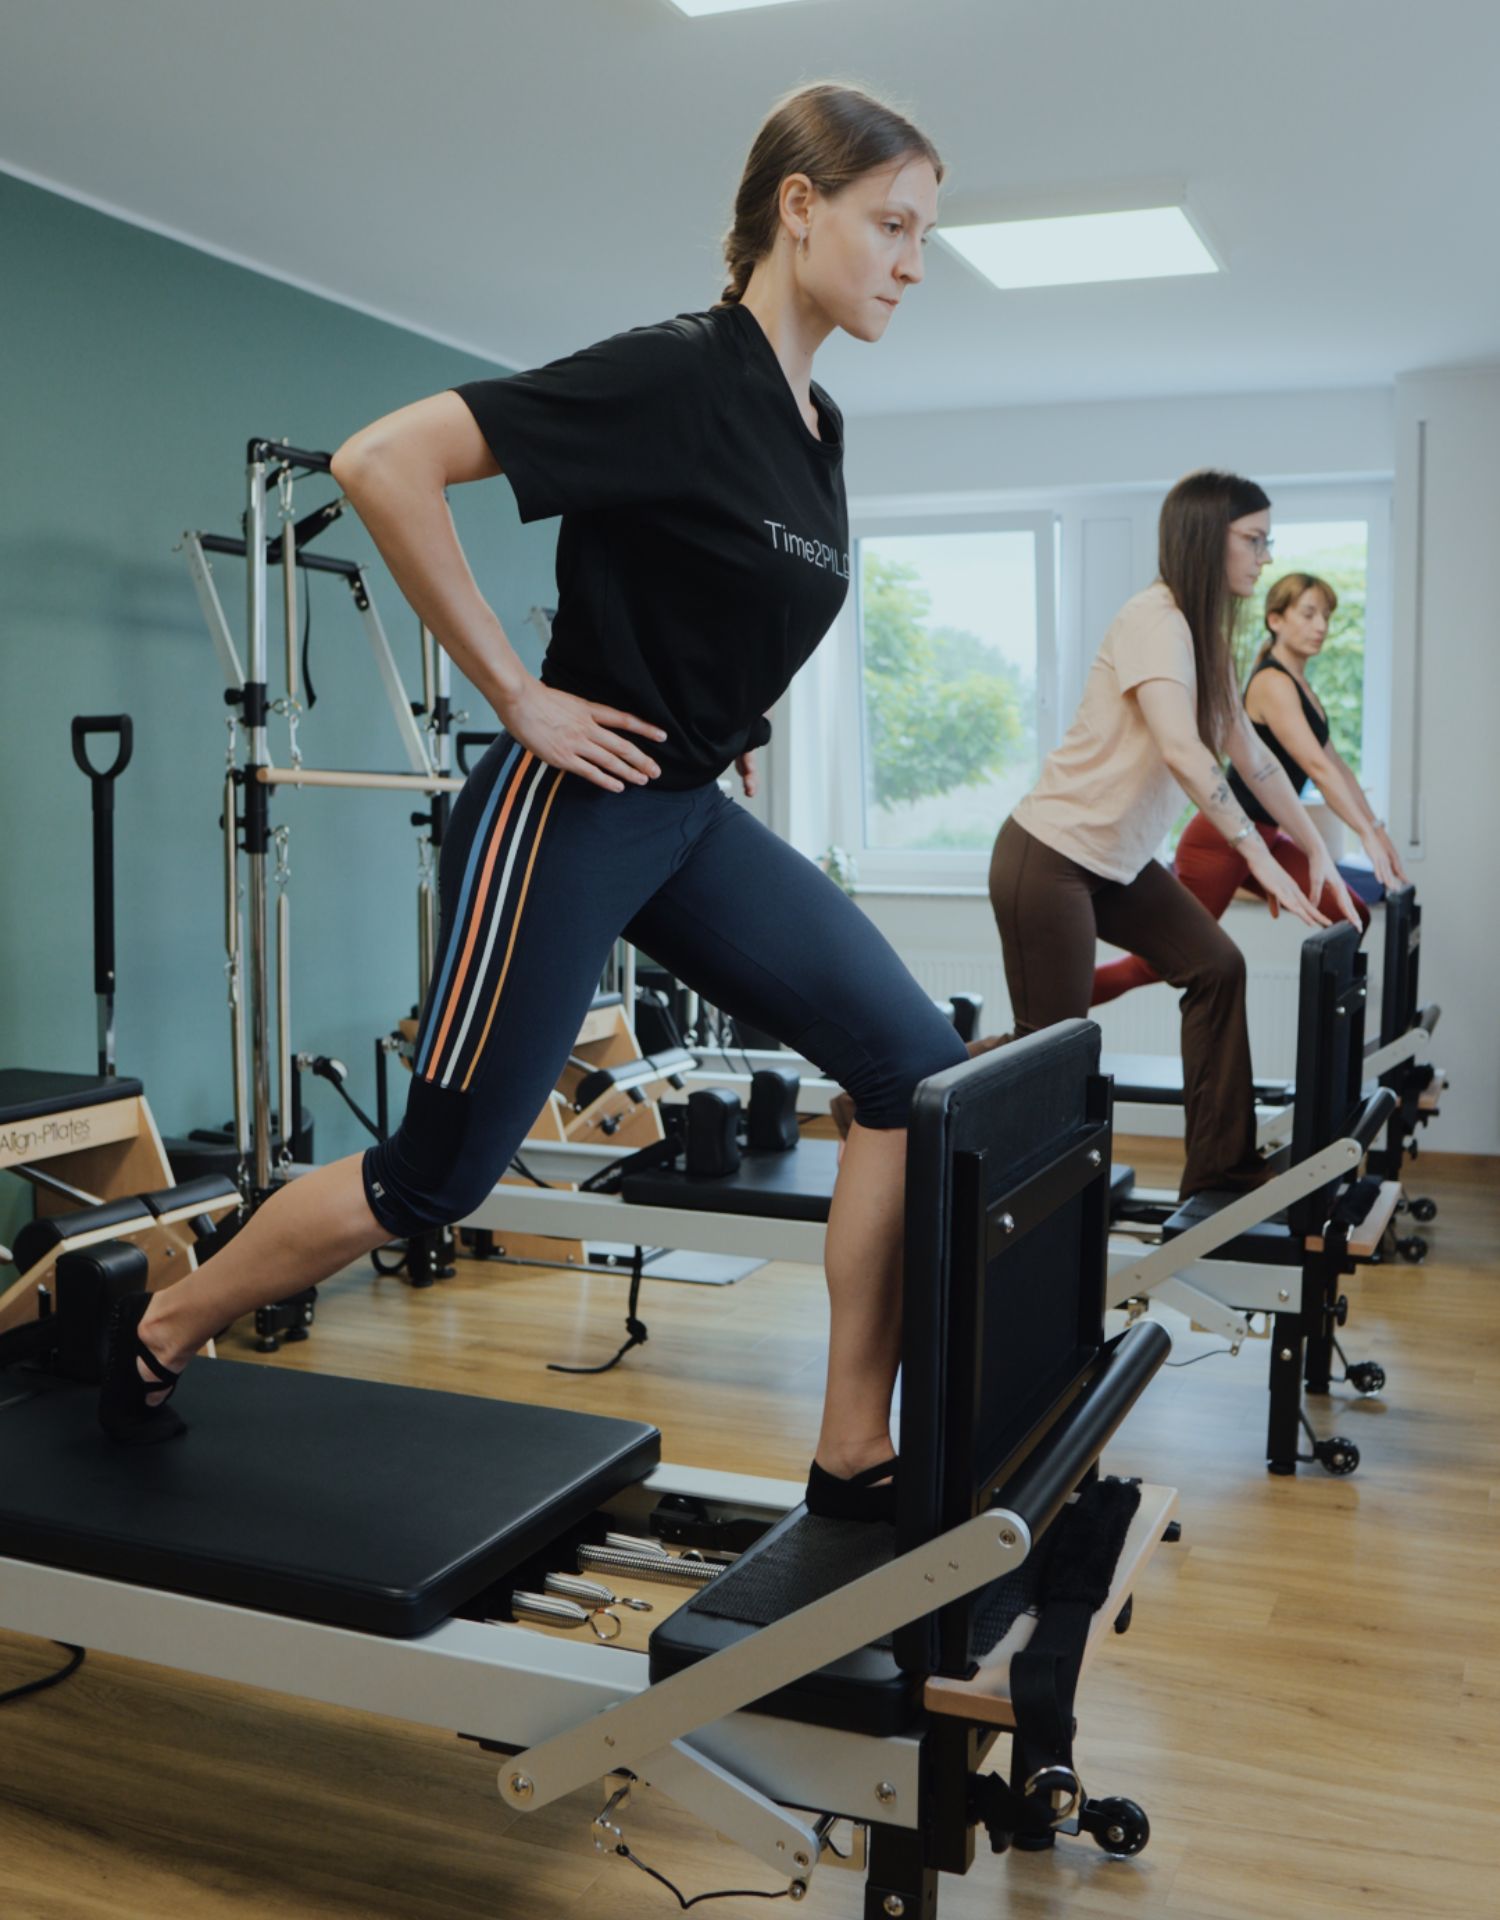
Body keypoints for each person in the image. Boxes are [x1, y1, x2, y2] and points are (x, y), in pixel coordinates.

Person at [103, 83, 963, 1520]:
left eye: (924, 235)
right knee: (429, 1179)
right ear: (799, 209)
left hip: (681, 805)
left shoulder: (815, 427)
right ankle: (154, 1328)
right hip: (569, 807)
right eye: (894, 224)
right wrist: (517, 694)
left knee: (911, 1073)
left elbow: (722, 595)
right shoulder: (682, 372)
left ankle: (852, 1448)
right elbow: (386, 464)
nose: (913, 263)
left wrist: (721, 722)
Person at [989, 472, 1362, 1199]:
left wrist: (1315, 847)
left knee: (1216, 966)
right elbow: (1183, 752)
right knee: (1051, 1048)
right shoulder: (1154, 620)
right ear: (1205, 537)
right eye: (1252, 540)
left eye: (1266, 540)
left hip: (1117, 864)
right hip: (1051, 857)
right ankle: (890, 1100)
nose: (1263, 557)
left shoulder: (1204, 635)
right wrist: (1259, 855)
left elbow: (1250, 758)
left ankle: (1220, 1167)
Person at [1093, 570, 1403, 1004]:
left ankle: (1330, 1052)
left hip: (1268, 837)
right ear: (1275, 620)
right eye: (1309, 614)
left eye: (1327, 617)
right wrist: (1366, 835)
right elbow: (1315, 766)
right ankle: (1043, 1018)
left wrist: (1376, 826)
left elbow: (1335, 764)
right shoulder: (1272, 682)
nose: (1321, 626)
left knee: (1351, 916)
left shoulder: (1303, 688)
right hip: (1220, 841)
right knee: (1152, 966)